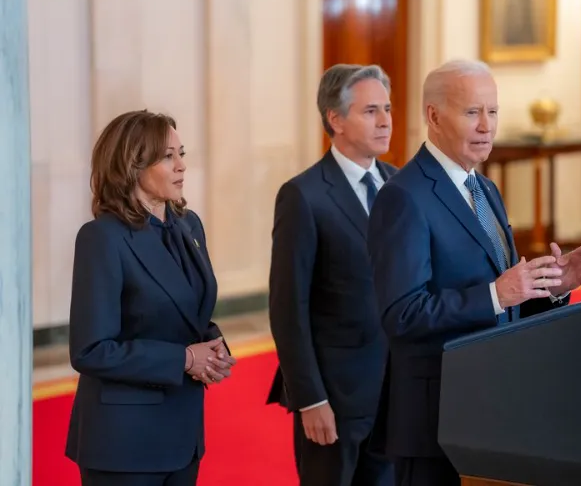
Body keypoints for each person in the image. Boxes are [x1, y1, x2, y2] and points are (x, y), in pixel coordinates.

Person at [367, 60, 581, 486]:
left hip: (493, 409)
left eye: (493, 112)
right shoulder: (402, 197)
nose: (486, 126)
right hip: (433, 421)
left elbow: (507, 305)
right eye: (472, 112)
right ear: (434, 116)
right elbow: (402, 316)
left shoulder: (486, 189)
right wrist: (495, 294)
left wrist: (550, 288)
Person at [65, 110, 237, 486]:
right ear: (131, 166)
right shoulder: (102, 238)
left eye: (182, 153)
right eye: (167, 156)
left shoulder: (188, 225)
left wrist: (211, 345)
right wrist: (185, 358)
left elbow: (186, 312)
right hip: (124, 443)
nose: (182, 165)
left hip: (183, 433)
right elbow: (90, 350)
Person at [266, 63, 396, 486]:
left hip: (397, 394)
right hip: (335, 397)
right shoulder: (303, 196)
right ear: (335, 119)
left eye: (388, 109)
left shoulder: (400, 184)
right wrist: (310, 399)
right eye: (370, 111)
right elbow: (288, 308)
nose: (385, 121)